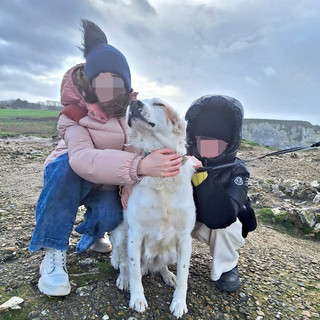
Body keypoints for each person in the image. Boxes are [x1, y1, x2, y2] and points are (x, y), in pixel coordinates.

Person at [29, 20, 183, 297]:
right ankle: (52, 253)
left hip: (110, 181)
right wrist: (138, 167)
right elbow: (82, 159)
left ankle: (94, 232)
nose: (109, 88)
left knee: (113, 214)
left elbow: (139, 148)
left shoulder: (131, 113)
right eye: (101, 81)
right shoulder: (73, 115)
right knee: (64, 169)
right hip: (71, 178)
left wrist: (132, 182)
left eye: (116, 82)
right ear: (90, 82)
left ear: (125, 83)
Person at [185, 95, 257, 292]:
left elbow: (224, 216)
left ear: (230, 142)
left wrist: (201, 177)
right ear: (194, 138)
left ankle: (227, 265)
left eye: (217, 143)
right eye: (203, 141)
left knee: (227, 228)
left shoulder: (237, 170)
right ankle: (156, 255)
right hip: (186, 218)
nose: (208, 148)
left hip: (217, 221)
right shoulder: (182, 158)